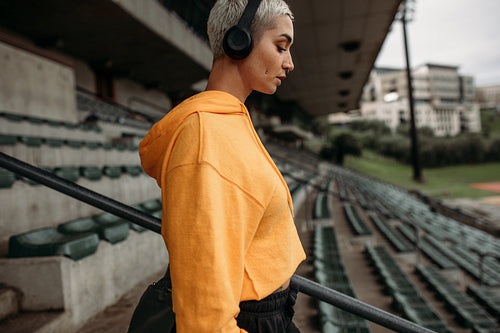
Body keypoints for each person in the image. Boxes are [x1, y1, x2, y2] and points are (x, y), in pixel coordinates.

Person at [139, 0, 305, 331]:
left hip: (272, 312)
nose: (289, 63)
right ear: (238, 41)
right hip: (251, 319)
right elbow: (205, 313)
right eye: (280, 46)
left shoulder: (229, 121)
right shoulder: (204, 133)